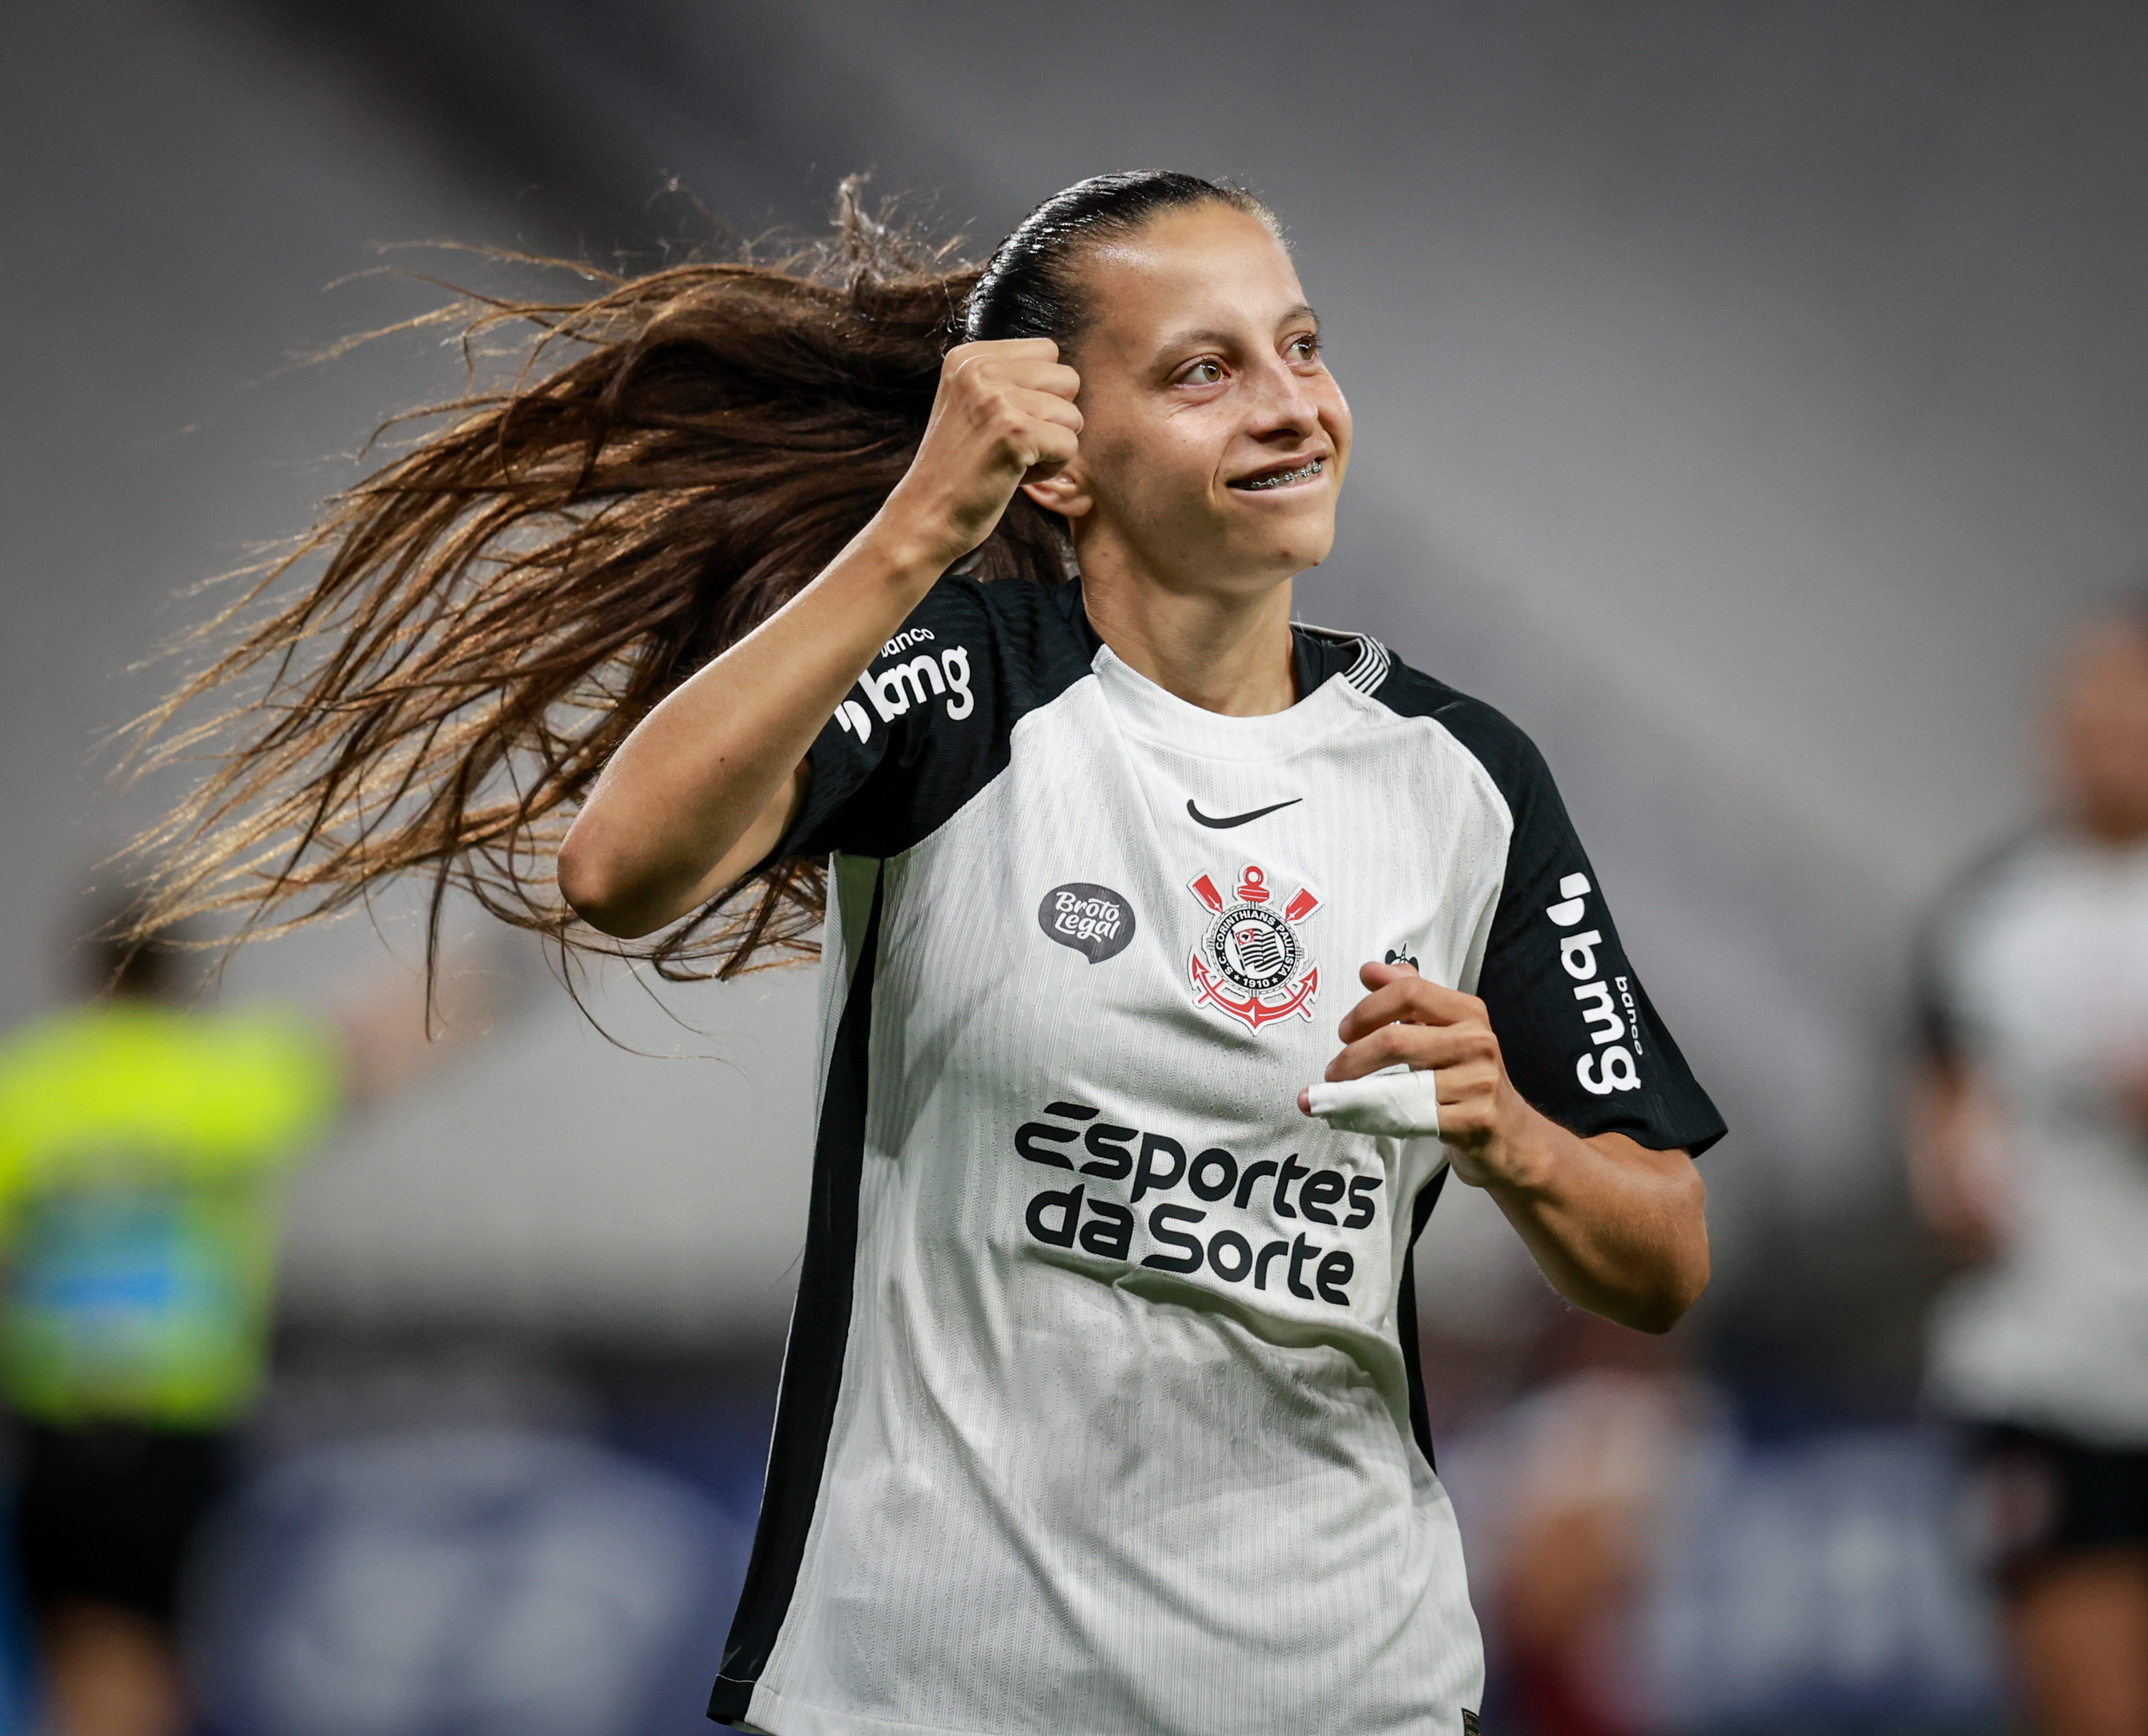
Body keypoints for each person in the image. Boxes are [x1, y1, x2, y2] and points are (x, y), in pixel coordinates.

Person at [129, 170, 1722, 1735]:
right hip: (924, 1694)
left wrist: (1511, 1136)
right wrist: (912, 530)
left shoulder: (1464, 779)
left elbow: (1661, 1254)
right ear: (1061, 464)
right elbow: (617, 870)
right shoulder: (964, 692)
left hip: (1343, 1693)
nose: (1291, 405)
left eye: (1301, 347)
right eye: (1204, 370)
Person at [0, 905, 501, 1736]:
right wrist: (508, 963)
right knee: (147, 1665)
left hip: (57, 1425)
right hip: (174, 1425)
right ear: (179, 977)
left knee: (79, 1657)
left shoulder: (31, 1085)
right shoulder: (216, 1076)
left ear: (87, 973)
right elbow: (367, 1042)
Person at [1910, 609, 2148, 1736]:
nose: (2096, 730)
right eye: (2078, 705)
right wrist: (1953, 1179)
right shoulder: (1986, 913)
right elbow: (1938, 1110)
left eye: (2123, 702)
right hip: (2050, 1380)